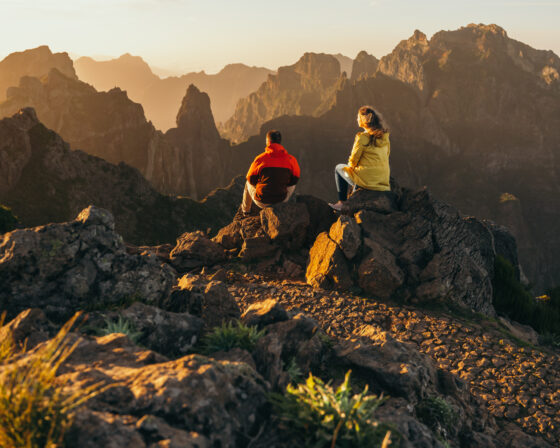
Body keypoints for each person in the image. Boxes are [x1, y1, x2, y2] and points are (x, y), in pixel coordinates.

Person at [329, 106, 391, 211]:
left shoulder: (362, 137)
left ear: (363, 120)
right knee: (361, 170)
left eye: (358, 117)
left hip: (368, 181)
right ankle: (355, 190)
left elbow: (353, 160)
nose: (356, 119)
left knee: (339, 168)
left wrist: (351, 169)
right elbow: (386, 155)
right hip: (383, 181)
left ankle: (342, 203)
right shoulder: (384, 137)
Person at [241, 130, 300, 214]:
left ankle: (245, 211)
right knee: (292, 182)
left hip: (262, 202)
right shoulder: (291, 159)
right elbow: (294, 180)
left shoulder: (260, 159)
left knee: (247, 183)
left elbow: (251, 179)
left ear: (268, 142)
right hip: (281, 200)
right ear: (280, 142)